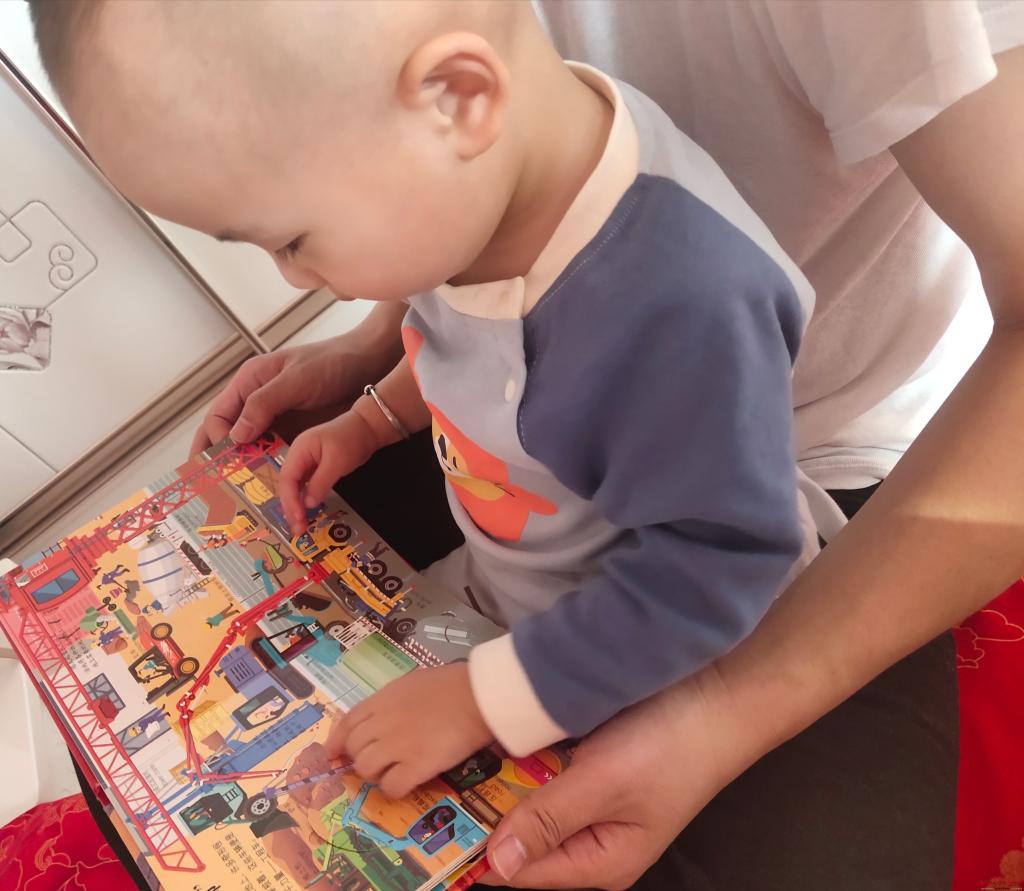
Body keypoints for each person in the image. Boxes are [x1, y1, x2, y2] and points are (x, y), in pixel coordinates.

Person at [24, 1, 1024, 890]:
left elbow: (720, 565)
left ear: (460, 98)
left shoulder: (674, 305)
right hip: (527, 559)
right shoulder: (507, 181)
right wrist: (371, 411)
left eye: (291, 240)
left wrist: (486, 699)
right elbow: (464, 331)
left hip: (679, 624)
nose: (291, 281)